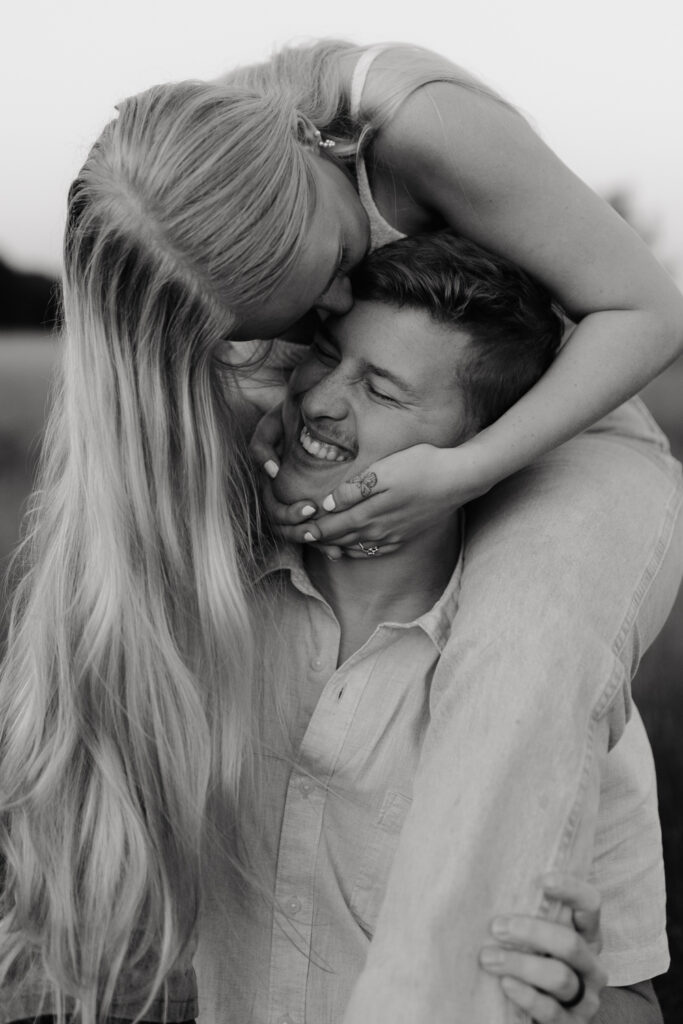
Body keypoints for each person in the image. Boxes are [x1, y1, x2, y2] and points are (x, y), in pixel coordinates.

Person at [0, 43, 681, 1019]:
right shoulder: (217, 642)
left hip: (578, 405)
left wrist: (461, 473)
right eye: (304, 347)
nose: (317, 373)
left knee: (525, 656)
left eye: (380, 385)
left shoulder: (414, 119)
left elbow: (647, 312)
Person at [197, 232, 668, 1024]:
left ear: (476, 446)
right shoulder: (206, 611)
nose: (319, 400)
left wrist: (576, 1008)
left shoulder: (551, 695)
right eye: (326, 353)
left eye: (380, 390)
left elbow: (635, 1001)